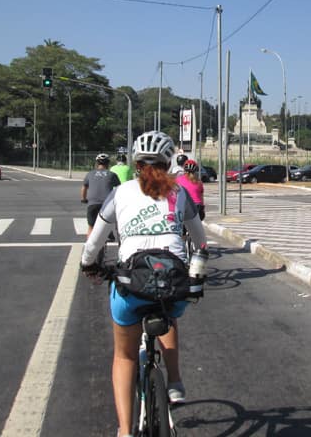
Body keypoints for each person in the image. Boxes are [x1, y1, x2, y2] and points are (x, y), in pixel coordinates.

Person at [80, 131, 207, 436]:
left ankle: (125, 431)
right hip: (173, 287)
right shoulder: (180, 193)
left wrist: (88, 264)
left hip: (131, 287)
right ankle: (174, 381)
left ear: (136, 164)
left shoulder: (120, 193)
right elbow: (201, 241)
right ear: (168, 163)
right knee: (169, 312)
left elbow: (94, 242)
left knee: (124, 356)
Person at [81, 153, 121, 238]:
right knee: (109, 223)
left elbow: (84, 188)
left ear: (97, 163)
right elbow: (119, 189)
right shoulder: (112, 174)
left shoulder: (90, 174)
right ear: (108, 164)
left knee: (91, 227)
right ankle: (109, 234)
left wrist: (83, 199)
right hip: (107, 205)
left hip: (93, 204)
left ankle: (89, 245)